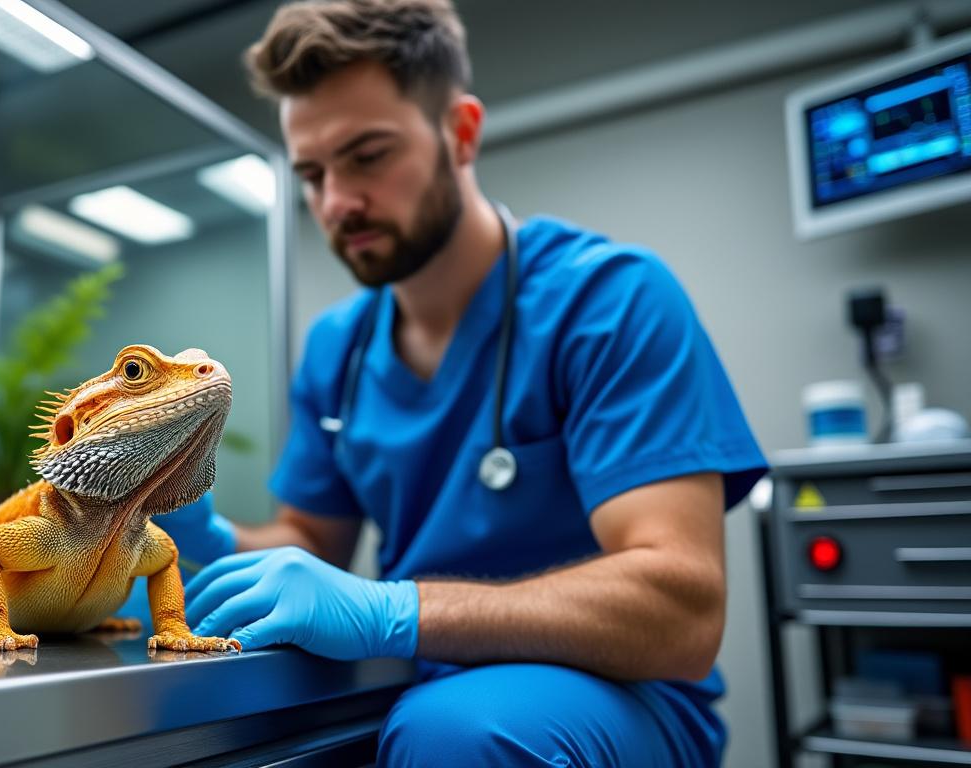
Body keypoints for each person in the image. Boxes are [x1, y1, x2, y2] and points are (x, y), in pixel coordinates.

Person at [153, 1, 770, 765]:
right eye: (311, 175)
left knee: (463, 735)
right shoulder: (337, 348)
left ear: (462, 133)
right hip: (416, 673)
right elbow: (313, 539)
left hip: (620, 692)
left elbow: (682, 613)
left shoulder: (610, 301)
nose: (337, 202)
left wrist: (394, 611)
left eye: (368, 155)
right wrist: (204, 536)